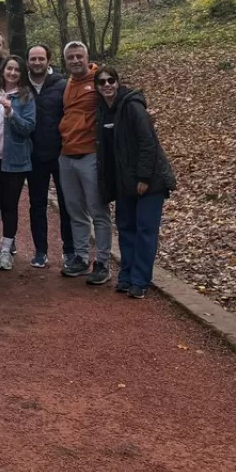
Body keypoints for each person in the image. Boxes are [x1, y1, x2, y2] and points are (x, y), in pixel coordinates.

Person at [97, 65, 177, 298]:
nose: (107, 85)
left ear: (118, 82)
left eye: (111, 80)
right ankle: (127, 275)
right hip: (124, 182)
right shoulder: (102, 110)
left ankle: (140, 280)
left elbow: (148, 143)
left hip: (149, 180)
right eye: (101, 82)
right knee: (126, 228)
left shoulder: (132, 106)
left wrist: (143, 177)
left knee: (145, 229)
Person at [57, 41, 113, 285]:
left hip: (91, 154)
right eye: (71, 57)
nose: (75, 60)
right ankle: (80, 257)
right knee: (74, 211)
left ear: (87, 57)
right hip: (67, 154)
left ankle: (102, 262)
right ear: (66, 60)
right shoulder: (67, 83)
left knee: (97, 210)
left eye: (79, 56)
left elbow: (115, 102)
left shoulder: (99, 80)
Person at [0, 56, 35, 270]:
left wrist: (11, 113)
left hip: (14, 161)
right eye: (9, 68)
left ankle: (6, 250)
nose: (12, 73)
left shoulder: (26, 97)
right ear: (3, 71)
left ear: (21, 74)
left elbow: (28, 128)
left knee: (9, 206)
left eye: (17, 70)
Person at [25, 44, 72, 269]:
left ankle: (69, 250)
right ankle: (40, 251)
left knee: (67, 204)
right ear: (27, 62)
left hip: (60, 154)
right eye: (33, 59)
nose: (36, 63)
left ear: (48, 60)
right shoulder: (22, 86)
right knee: (37, 205)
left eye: (40, 59)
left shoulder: (62, 85)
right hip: (34, 156)